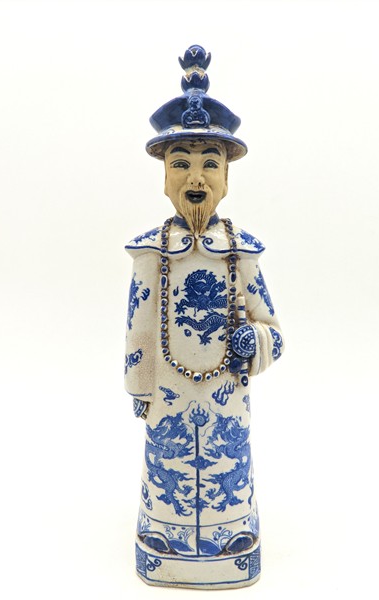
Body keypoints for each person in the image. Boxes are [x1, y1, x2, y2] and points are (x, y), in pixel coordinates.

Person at [124, 45, 284, 589]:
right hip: (168, 396)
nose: (196, 177)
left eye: (210, 163)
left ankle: (232, 541)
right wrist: (138, 387)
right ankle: (162, 543)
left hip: (225, 397)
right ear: (165, 175)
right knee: (165, 468)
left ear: (227, 176)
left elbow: (274, 332)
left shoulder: (242, 252)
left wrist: (253, 343)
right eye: (182, 163)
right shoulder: (150, 252)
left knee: (227, 469)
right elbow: (138, 330)